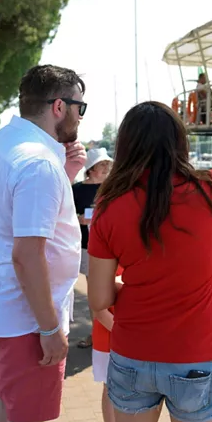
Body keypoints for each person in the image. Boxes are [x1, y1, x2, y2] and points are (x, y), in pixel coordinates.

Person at [86, 101, 212, 422]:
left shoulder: (109, 206)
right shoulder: (210, 189)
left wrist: (136, 286)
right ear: (179, 143)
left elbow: (98, 300)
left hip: (132, 352)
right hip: (196, 355)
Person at [0, 64, 88, 422]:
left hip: (0, 306)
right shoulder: (39, 163)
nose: (80, 116)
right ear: (59, 106)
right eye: (80, 107)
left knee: (8, 402)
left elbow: (13, 220)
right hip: (27, 317)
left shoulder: (1, 143)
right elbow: (27, 256)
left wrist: (67, 173)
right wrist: (50, 326)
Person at [74, 147, 114, 349]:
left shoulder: (113, 188)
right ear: (91, 169)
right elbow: (64, 217)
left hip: (113, 246)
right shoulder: (77, 190)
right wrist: (78, 220)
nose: (107, 166)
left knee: (114, 291)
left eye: (107, 163)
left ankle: (111, 332)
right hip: (88, 247)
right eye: (102, 164)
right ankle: (96, 334)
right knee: (96, 292)